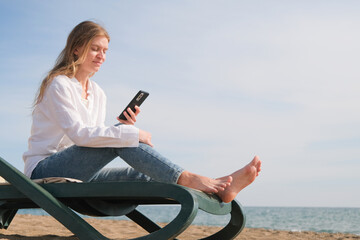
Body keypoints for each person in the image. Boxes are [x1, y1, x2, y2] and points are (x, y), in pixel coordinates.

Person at [23, 20, 261, 203]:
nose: (101, 56)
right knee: (122, 137)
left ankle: (219, 191)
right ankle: (190, 178)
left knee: (139, 174)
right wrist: (131, 134)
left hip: (77, 173)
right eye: (95, 49)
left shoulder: (97, 92)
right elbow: (80, 135)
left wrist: (125, 130)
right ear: (76, 49)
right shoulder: (59, 84)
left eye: (105, 50)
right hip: (45, 171)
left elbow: (94, 137)